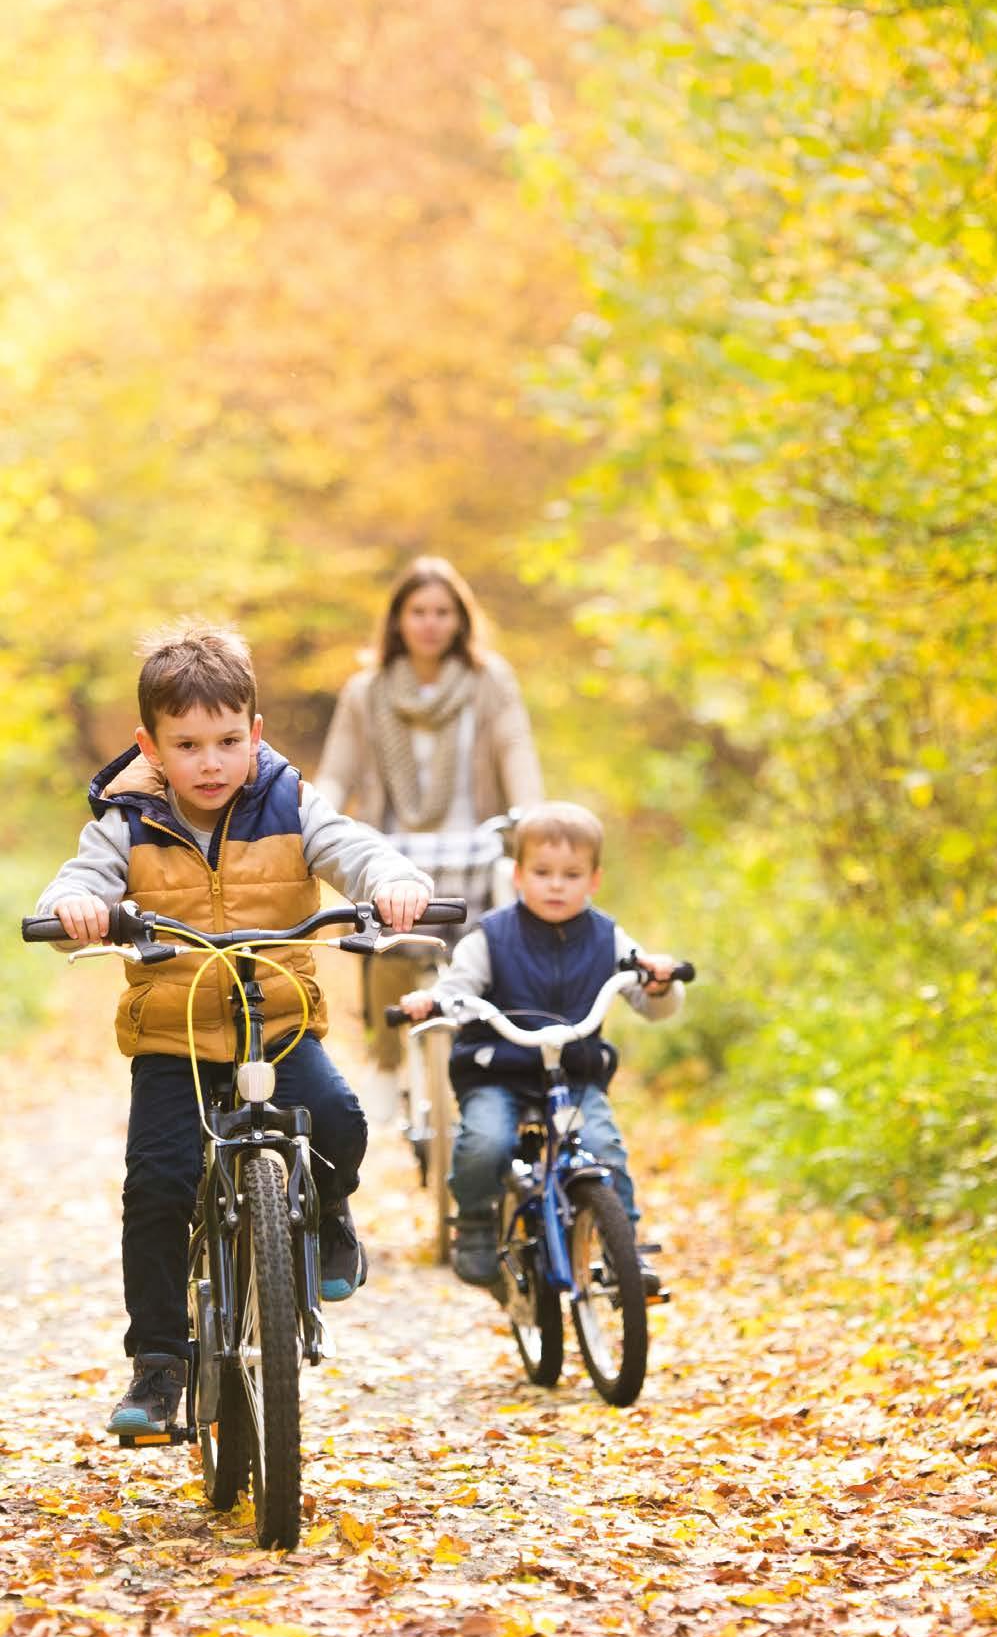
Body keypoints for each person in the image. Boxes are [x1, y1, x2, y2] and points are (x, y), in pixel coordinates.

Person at [33, 623, 433, 1437]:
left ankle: (328, 1211)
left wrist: (390, 878)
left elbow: (350, 847)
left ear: (255, 733)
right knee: (156, 1185)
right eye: (186, 745)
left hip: (275, 1024)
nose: (210, 762)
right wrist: (75, 908)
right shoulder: (126, 819)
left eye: (226, 741)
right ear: (151, 746)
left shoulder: (290, 801)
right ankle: (159, 1363)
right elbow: (82, 879)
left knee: (340, 1118)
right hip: (172, 1038)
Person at [399, 800, 684, 1294]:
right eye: (542, 872)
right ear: (517, 875)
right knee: (485, 1142)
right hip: (498, 1071)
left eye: (571, 875)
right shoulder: (491, 936)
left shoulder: (608, 937)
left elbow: (648, 994)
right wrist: (434, 1002)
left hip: (573, 1075)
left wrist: (659, 982)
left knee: (605, 1148)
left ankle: (624, 1248)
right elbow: (457, 988)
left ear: (594, 880)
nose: (556, 885)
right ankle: (475, 1221)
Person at [315, 555, 543, 1112]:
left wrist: (533, 818)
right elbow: (338, 771)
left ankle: (490, 1059)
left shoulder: (489, 682)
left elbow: (516, 752)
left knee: (490, 952)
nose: (430, 623)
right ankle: (387, 1060)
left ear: (461, 619)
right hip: (394, 849)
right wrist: (311, 818)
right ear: (398, 619)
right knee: (386, 945)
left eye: (443, 612)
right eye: (418, 611)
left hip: (475, 845)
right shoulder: (366, 691)